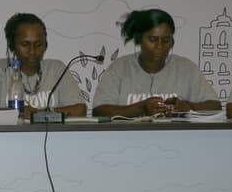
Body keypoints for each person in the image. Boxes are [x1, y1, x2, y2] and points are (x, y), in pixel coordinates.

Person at [92, 9, 221, 118]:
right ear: (139, 39)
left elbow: (215, 107)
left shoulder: (186, 68)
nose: (160, 46)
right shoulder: (120, 68)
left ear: (172, 42)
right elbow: (99, 111)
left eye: (166, 40)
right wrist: (141, 108)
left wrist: (188, 107)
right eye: (153, 39)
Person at [0, 12, 86, 118]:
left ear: (45, 45)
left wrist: (38, 114)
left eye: (38, 45)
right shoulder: (0, 70)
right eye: (25, 44)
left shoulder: (56, 69)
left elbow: (80, 110)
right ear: (12, 45)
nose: (32, 51)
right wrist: (17, 113)